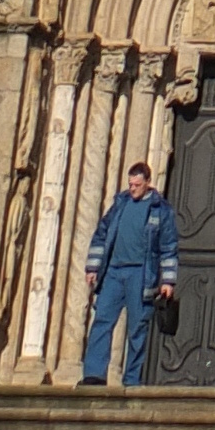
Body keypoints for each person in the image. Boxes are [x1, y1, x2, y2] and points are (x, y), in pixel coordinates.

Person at [81, 156, 180, 386]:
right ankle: (93, 375)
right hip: (114, 273)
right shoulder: (120, 204)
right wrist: (93, 266)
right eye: (130, 184)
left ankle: (132, 380)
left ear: (147, 182)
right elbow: (102, 234)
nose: (132, 189)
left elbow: (168, 247)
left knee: (137, 329)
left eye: (137, 185)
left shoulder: (160, 210)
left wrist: (168, 281)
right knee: (102, 321)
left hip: (141, 276)